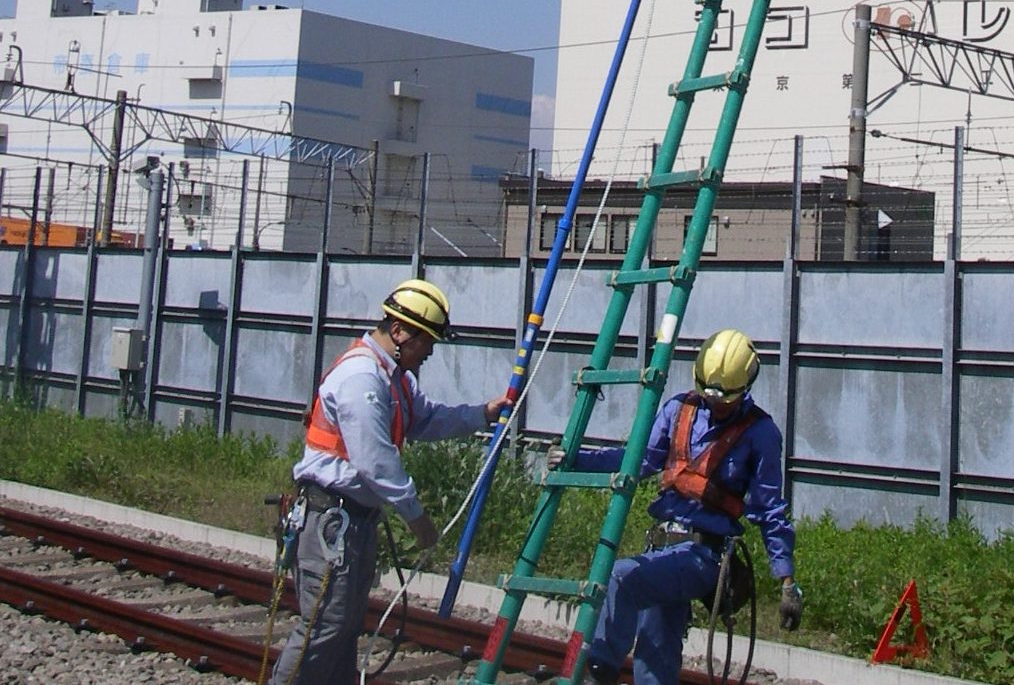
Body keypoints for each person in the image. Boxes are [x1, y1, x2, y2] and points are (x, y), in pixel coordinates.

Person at [268, 278, 509, 685]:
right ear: (399, 331)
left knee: (343, 628)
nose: (430, 352)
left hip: (353, 523)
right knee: (324, 625)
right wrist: (416, 517)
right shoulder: (362, 377)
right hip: (331, 520)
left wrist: (482, 413)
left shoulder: (392, 377)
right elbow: (374, 459)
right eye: (426, 341)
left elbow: (427, 419)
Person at [555, 328, 800, 685]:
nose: (715, 403)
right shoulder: (679, 410)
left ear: (745, 388)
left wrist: (787, 582)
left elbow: (770, 510)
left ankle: (597, 674)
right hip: (660, 550)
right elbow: (636, 460)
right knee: (656, 653)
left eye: (725, 398)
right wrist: (575, 460)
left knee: (623, 577)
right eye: (708, 393)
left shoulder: (760, 433)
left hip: (702, 557)